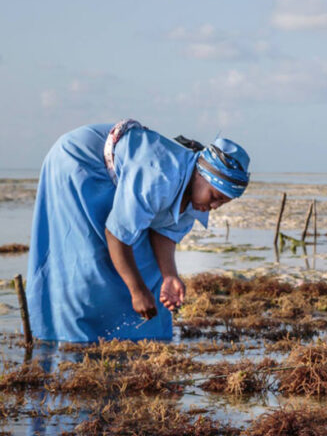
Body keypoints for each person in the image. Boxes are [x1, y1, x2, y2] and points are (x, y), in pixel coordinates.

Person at [26, 119, 251, 342]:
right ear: (200, 174)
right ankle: (73, 338)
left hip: (117, 174)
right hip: (79, 162)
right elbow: (116, 235)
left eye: (221, 203)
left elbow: (164, 233)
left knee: (146, 266)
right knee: (89, 259)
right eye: (214, 197)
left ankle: (136, 338)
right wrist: (137, 291)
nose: (213, 207)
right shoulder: (159, 177)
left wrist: (169, 276)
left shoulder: (195, 196)